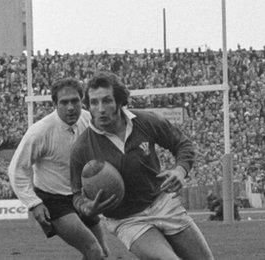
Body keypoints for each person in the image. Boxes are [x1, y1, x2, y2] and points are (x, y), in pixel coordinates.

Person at [70, 71, 214, 260]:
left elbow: (182, 144)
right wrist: (86, 207)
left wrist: (180, 170)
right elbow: (76, 195)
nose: (101, 108)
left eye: (107, 101)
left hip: (163, 203)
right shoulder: (82, 147)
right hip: (127, 219)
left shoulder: (146, 122)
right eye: (94, 103)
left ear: (120, 101)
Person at [8, 78, 109, 260]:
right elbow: (17, 169)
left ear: (82, 100)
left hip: (82, 196)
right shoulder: (40, 132)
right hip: (54, 200)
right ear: (55, 104)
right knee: (94, 252)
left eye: (75, 101)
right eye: (64, 102)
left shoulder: (89, 121)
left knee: (103, 253)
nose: (70, 107)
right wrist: (34, 203)